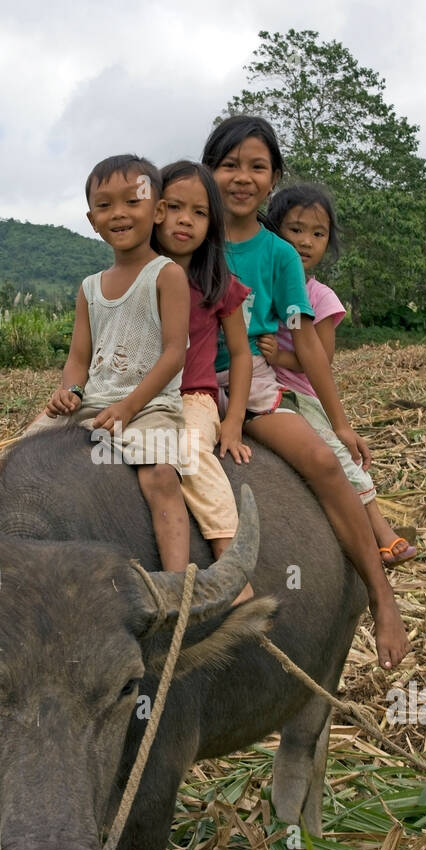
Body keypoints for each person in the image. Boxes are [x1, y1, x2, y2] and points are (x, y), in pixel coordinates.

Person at [201, 114, 409, 670]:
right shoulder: (190, 235)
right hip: (189, 380)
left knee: (322, 460)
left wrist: (338, 422)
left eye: (257, 167)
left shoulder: (279, 255)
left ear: (273, 180)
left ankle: (380, 596)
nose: (241, 178)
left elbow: (309, 344)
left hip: (254, 384)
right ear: (208, 171)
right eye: (228, 166)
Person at [29, 153, 191, 572]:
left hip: (149, 407)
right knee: (10, 463)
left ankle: (179, 584)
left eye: (131, 201)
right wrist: (70, 392)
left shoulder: (166, 275)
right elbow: (78, 359)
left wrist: (129, 406)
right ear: (91, 219)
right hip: (93, 405)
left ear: (157, 211)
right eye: (105, 205)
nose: (118, 213)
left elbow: (175, 353)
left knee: (159, 476)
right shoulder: (89, 288)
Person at [261, 184, 418, 568]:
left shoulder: (320, 297)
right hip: (258, 387)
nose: (305, 241)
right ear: (273, 231)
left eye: (318, 234)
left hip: (299, 393)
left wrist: (281, 354)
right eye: (295, 230)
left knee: (335, 456)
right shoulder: (262, 284)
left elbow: (321, 358)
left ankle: (379, 530)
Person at [153, 160, 254, 600]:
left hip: (192, 397)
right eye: (174, 207)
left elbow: (241, 354)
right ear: (154, 210)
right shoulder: (138, 277)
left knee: (191, 453)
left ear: (212, 224)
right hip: (139, 396)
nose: (184, 220)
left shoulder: (219, 283)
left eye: (198, 213)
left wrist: (231, 423)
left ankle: (232, 565)